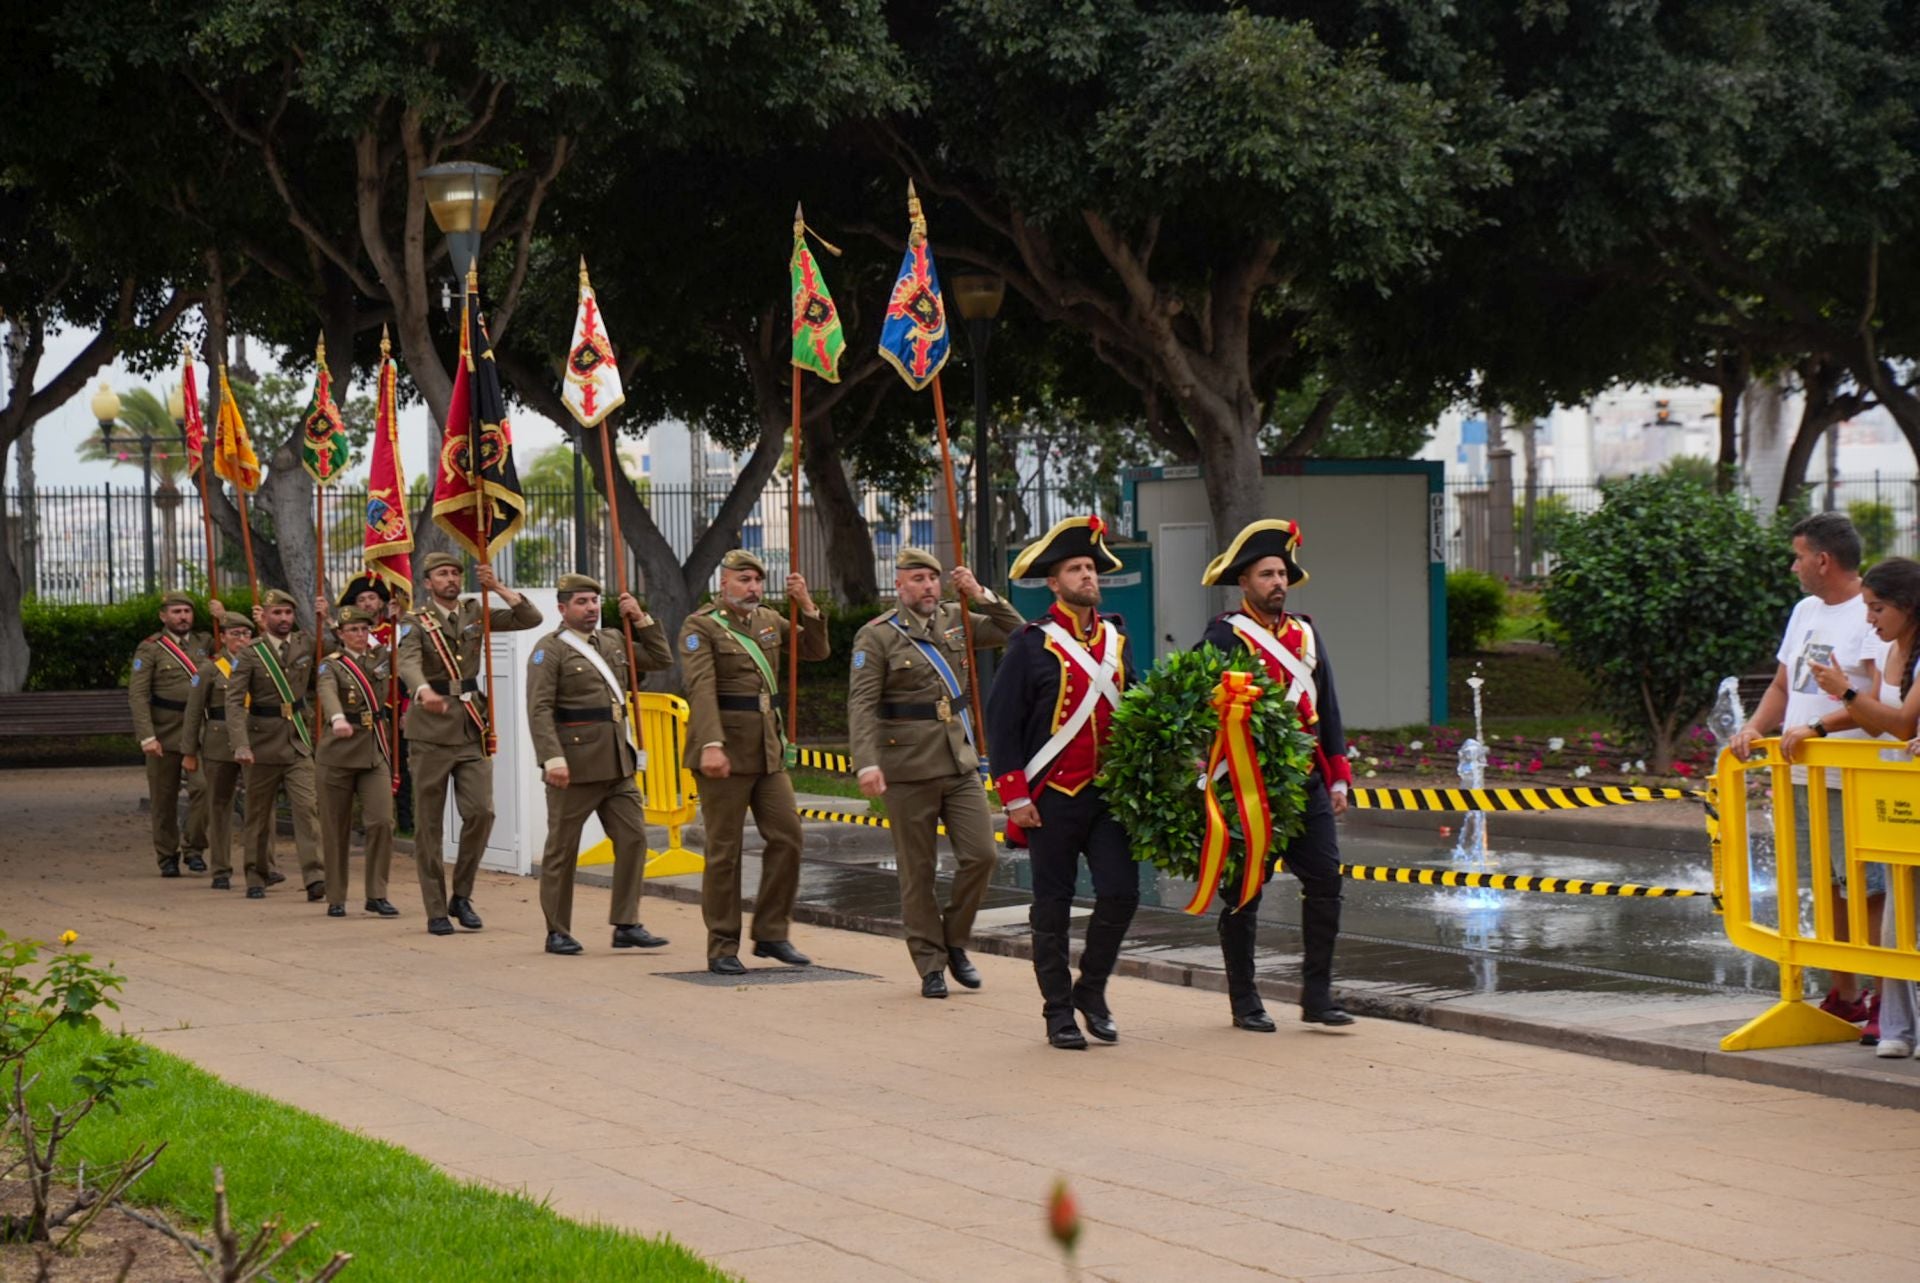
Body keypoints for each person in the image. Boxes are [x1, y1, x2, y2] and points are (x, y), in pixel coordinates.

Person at [1729, 512, 1889, 1023]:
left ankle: (1886, 993)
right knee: (1826, 885)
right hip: (1802, 771)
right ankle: (1845, 991)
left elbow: (1879, 701)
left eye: (1798, 556)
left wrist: (1821, 728)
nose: (1793, 566)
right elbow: (1783, 686)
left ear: (1823, 559)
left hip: (1852, 771)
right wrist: (1755, 729)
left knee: (1868, 887)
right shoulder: (1804, 610)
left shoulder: (1872, 612)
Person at [1197, 519, 1356, 1031]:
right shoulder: (1223, 635)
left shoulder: (1306, 632)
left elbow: (1326, 708)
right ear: (1244, 583)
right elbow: (1203, 707)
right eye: (1267, 574)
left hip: (1306, 781)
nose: (1277, 583)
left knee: (1326, 880)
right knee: (1245, 892)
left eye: (1282, 573)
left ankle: (1317, 996)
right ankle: (1245, 1000)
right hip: (1248, 787)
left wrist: (1338, 777)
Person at [985, 516, 1137, 1051]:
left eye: (1091, 567)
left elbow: (1134, 708)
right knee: (1052, 906)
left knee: (1122, 893)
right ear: (1054, 583)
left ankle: (1090, 992)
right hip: (1051, 798)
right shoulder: (1029, 644)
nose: (1086, 575)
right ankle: (1057, 1013)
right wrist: (1015, 795)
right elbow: (1001, 724)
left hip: (1109, 795)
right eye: (1075, 568)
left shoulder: (1117, 638)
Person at [848, 550, 1024, 997]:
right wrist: (866, 762)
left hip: (958, 760)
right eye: (919, 578)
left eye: (934, 578)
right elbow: (862, 706)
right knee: (918, 869)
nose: (929, 586)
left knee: (982, 855)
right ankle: (930, 962)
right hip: (905, 766)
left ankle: (955, 939)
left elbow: (1018, 633)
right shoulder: (877, 637)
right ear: (900, 585)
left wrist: (981, 594)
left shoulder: (957, 618)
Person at [678, 549, 830, 975]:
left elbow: (814, 653)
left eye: (758, 581)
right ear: (723, 583)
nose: (753, 588)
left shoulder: (768, 620)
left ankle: (771, 933)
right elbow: (702, 687)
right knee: (724, 851)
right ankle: (722, 944)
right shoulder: (701, 626)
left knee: (788, 837)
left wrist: (808, 607)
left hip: (767, 749)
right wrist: (710, 742)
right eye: (744, 580)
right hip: (724, 749)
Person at [525, 574, 675, 955]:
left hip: (617, 760)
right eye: (581, 602)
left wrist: (640, 619)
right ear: (562, 609)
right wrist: (552, 757)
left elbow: (660, 658)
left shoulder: (611, 640)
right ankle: (557, 930)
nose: (591, 608)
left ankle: (626, 922)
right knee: (562, 849)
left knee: (634, 839)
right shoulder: (550, 650)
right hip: (573, 765)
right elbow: (539, 708)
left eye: (594, 600)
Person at [397, 551, 543, 936]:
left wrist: (496, 587)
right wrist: (423, 689)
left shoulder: (475, 612)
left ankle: (461, 895)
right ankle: (435, 909)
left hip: (470, 726)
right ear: (428, 583)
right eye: (442, 574)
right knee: (428, 825)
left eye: (455, 573)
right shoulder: (416, 622)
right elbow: (407, 662)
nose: (450, 579)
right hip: (430, 729)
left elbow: (531, 618)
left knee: (481, 813)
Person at [1812, 556, 1920, 1057]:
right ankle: (1899, 1028)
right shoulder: (1896, 649)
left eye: (1877, 608)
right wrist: (1817, 726)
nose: (1869, 618)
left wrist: (1847, 690)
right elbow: (1876, 719)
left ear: (1906, 606)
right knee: (1899, 918)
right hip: (1898, 799)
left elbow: (1901, 724)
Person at [225, 588, 325, 901]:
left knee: (307, 809)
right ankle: (256, 873)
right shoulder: (252, 653)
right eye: (277, 613)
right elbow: (233, 700)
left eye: (288, 613)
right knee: (258, 813)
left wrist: (327, 619)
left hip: (297, 740)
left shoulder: (306, 643)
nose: (283, 619)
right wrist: (240, 744)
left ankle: (315, 877)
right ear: (264, 617)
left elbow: (334, 657)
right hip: (261, 743)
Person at [314, 607, 399, 919]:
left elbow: (406, 653)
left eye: (365, 630)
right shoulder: (331, 665)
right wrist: (336, 718)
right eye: (353, 630)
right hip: (337, 753)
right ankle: (336, 895)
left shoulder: (381, 658)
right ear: (340, 634)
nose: (360, 636)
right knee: (335, 828)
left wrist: (396, 619)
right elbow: (327, 692)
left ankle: (376, 893)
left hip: (373, 749)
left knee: (381, 822)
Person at [129, 589, 219, 876]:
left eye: (187, 611)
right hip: (165, 730)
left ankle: (194, 848)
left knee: (204, 788)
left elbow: (238, 643)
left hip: (200, 731)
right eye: (176, 612)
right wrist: (147, 736)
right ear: (163, 616)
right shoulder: (150, 648)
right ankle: (167, 855)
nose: (182, 617)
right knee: (163, 797)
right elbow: (138, 695)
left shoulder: (205, 642)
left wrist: (222, 615)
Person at [181, 612, 254, 891]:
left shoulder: (259, 666)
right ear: (222, 637)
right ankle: (221, 869)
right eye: (235, 634)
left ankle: (261, 865)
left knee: (258, 806)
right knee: (220, 806)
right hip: (218, 743)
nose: (241, 639)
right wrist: (189, 751)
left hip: (252, 741)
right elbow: (193, 713)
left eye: (246, 634)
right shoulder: (210, 669)